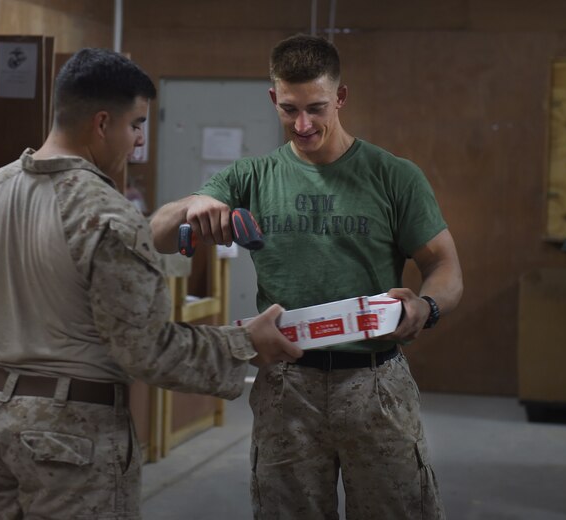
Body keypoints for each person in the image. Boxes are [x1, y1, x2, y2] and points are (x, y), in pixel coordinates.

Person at [0, 48, 302, 520]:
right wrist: (246, 342)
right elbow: (146, 349)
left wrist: (6, 381)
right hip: (70, 439)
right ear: (102, 124)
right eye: (136, 125)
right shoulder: (106, 216)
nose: (139, 142)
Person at [150, 34, 464, 520]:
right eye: (289, 109)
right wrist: (193, 205)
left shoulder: (393, 176)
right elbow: (156, 234)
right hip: (286, 385)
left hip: (375, 382)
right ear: (273, 98)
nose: (302, 124)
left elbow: (444, 266)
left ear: (340, 98)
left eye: (316, 108)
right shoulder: (250, 177)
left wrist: (426, 306)